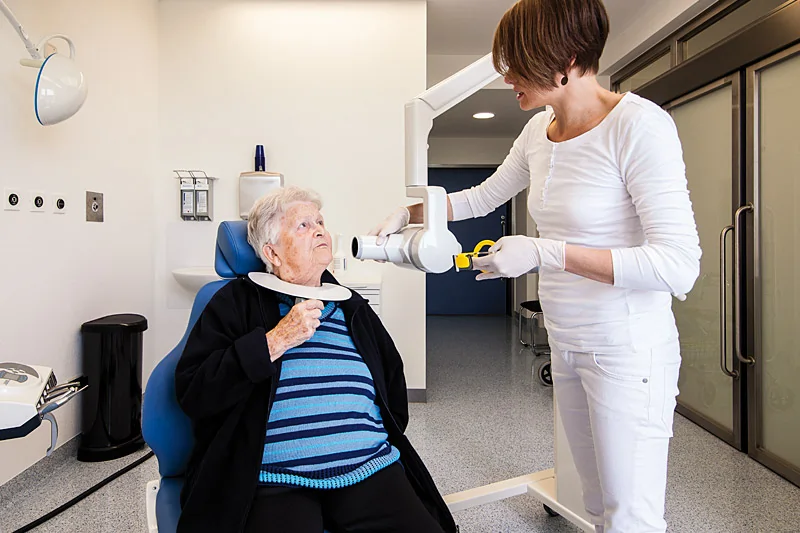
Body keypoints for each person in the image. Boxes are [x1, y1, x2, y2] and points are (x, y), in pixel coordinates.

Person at [368, 1, 701, 531]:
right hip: (565, 343)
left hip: (626, 349)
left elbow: (677, 265)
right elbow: (482, 196)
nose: (506, 79)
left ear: (565, 60)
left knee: (629, 519)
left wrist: (546, 252)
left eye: (517, 63)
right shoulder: (537, 133)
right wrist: (414, 212)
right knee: (592, 506)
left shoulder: (638, 126)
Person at [176, 186, 456, 533]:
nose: (320, 229)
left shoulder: (351, 306)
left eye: (320, 221)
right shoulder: (234, 303)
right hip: (274, 479)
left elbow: (392, 390)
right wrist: (275, 341)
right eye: (303, 225)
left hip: (369, 466)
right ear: (272, 253)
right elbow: (195, 391)